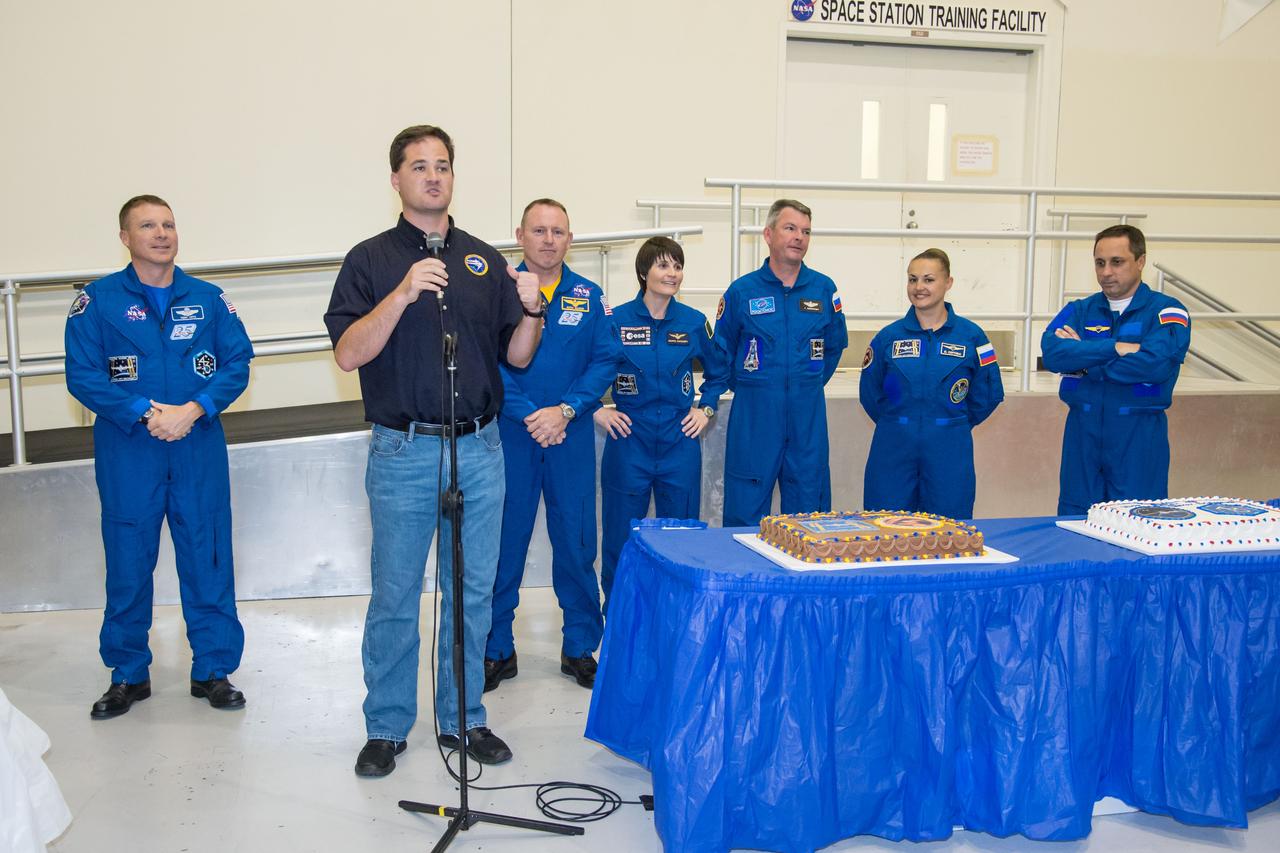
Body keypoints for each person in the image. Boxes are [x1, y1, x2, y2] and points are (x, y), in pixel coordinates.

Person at [324, 125, 543, 777]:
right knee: (395, 592)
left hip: (480, 448)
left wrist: (532, 308)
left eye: (442, 165)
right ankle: (387, 726)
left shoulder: (483, 260)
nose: (433, 175)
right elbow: (348, 352)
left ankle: (463, 717)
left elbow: (518, 355)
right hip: (404, 450)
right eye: (418, 166)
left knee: (471, 591)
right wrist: (401, 293)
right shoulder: (369, 260)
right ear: (395, 178)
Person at [64, 195, 253, 720]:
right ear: (125, 237)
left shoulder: (209, 299)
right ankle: (127, 673)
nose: (161, 233)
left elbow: (237, 363)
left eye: (168, 223)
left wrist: (195, 409)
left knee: (208, 554)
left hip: (197, 446)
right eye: (147, 225)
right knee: (128, 560)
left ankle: (213, 669)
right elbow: (83, 375)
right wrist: (145, 413)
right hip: (130, 451)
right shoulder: (97, 303)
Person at [483, 199, 620, 692]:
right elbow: (490, 364)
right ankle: (496, 649)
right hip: (513, 436)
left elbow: (605, 360)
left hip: (571, 435)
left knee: (577, 542)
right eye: (538, 230)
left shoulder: (590, 295)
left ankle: (580, 646)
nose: (547, 239)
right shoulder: (497, 292)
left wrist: (566, 409)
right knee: (503, 545)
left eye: (557, 231)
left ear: (570, 239)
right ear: (519, 234)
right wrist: (529, 413)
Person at [594, 237, 727, 611]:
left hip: (678, 442)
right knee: (621, 536)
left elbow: (719, 373)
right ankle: (618, 613)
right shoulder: (615, 321)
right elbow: (584, 373)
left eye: (678, 266)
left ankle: (678, 611)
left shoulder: (692, 322)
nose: (672, 274)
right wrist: (595, 410)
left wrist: (707, 409)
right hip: (628, 441)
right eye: (663, 265)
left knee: (682, 535)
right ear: (643, 272)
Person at [713, 199, 848, 527]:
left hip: (807, 416)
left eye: (806, 231)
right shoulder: (741, 292)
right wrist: (756, 387)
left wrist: (806, 382)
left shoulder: (824, 289)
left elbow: (833, 347)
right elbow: (722, 352)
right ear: (769, 234)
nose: (799, 237)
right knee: (745, 509)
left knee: (809, 511)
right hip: (755, 415)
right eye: (790, 228)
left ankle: (805, 580)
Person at [1041, 225, 1191, 514]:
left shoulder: (1167, 312)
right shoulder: (1079, 310)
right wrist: (1116, 348)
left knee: (1137, 524)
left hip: (1137, 438)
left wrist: (1085, 361)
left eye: (1116, 262)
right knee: (1076, 523)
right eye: (1100, 263)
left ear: (1141, 261)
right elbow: (1053, 354)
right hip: (1082, 436)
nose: (1106, 272)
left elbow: (1155, 364)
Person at [859, 248, 1004, 519]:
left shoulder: (974, 338)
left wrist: (952, 422)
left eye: (928, 279)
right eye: (912, 279)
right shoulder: (887, 338)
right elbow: (870, 393)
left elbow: (988, 394)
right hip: (893, 446)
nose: (919, 287)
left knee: (949, 529)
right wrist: (899, 422)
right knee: (885, 526)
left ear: (948, 283)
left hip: (949, 447)